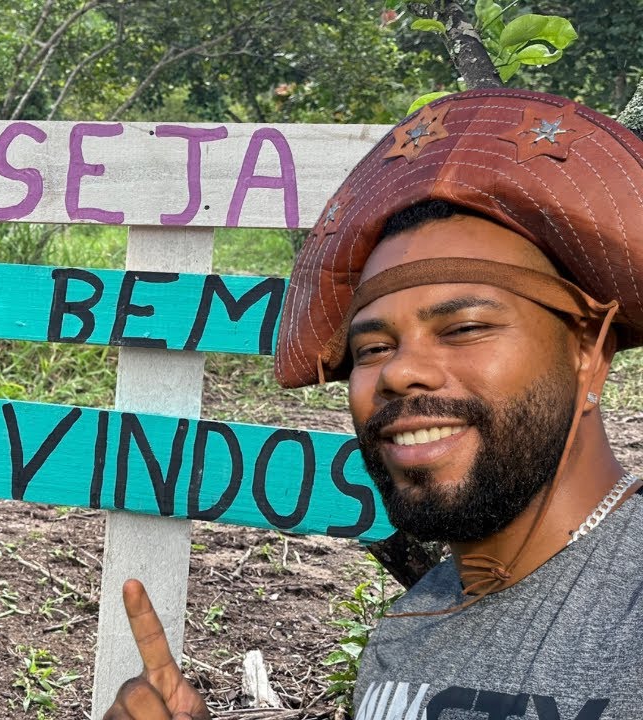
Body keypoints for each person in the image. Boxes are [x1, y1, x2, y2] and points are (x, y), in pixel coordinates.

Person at [105, 88, 643, 720]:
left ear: (588, 350)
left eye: (465, 327)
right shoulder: (407, 633)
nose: (401, 372)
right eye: (372, 347)